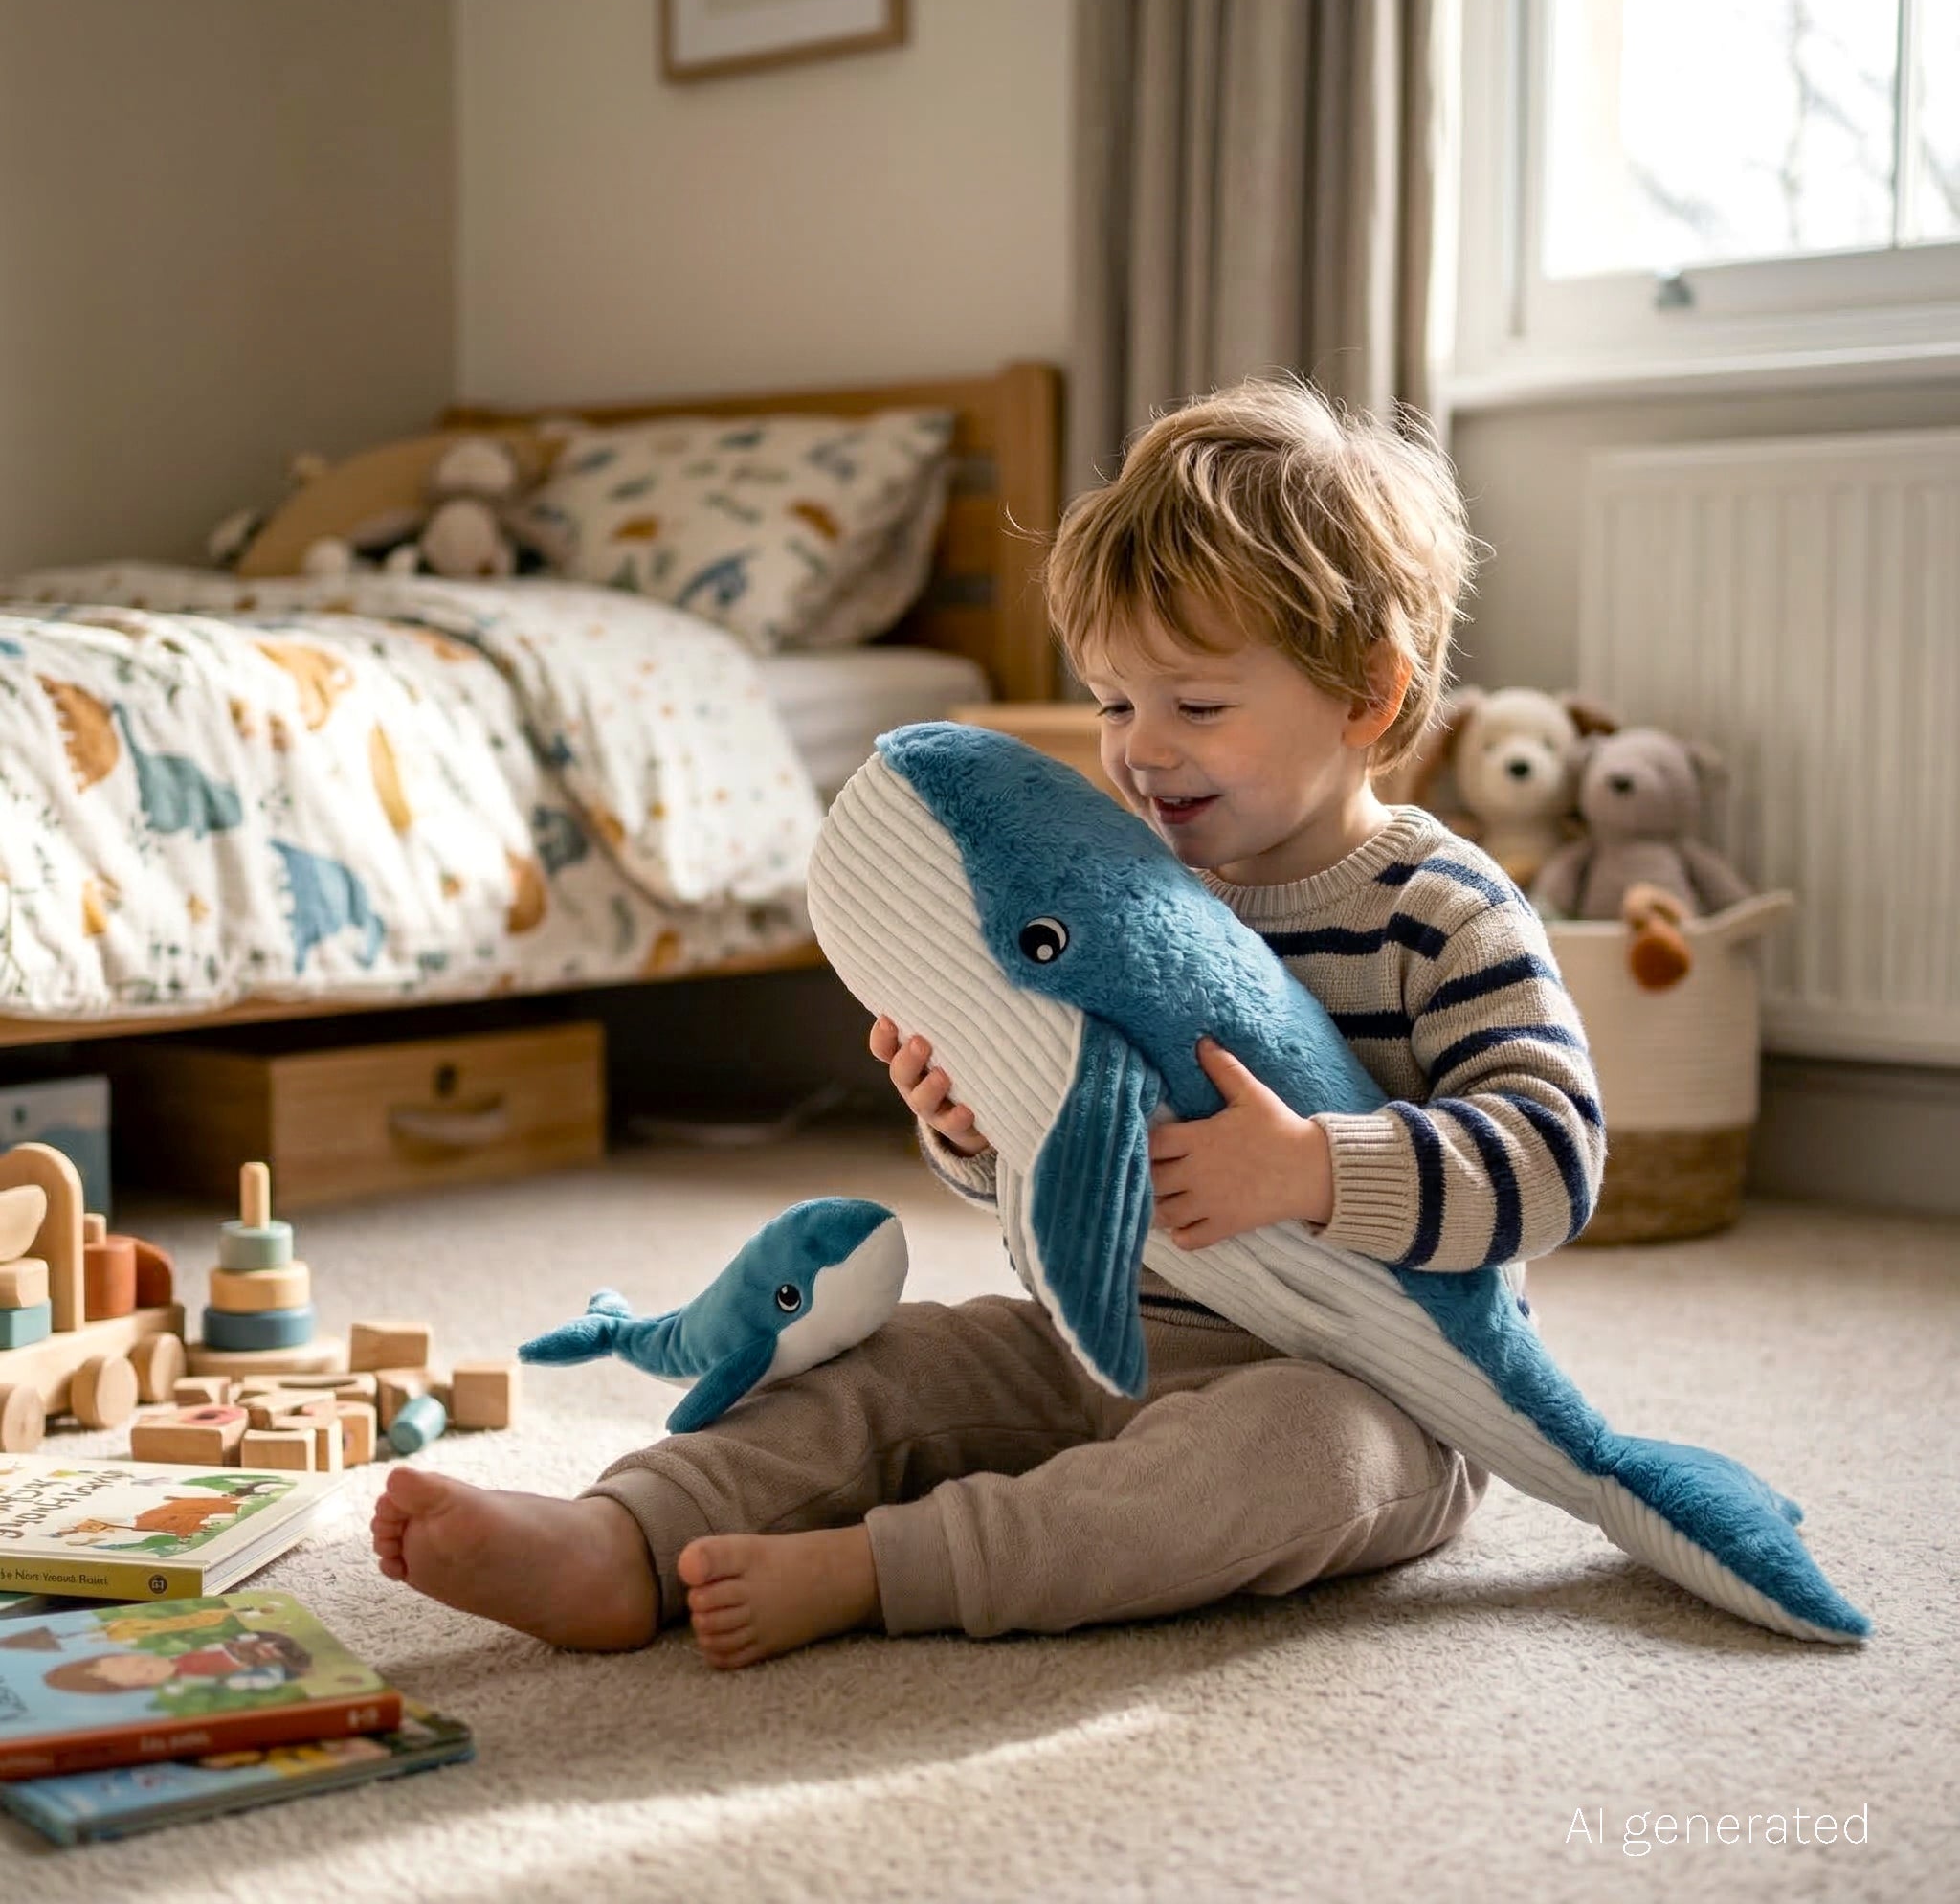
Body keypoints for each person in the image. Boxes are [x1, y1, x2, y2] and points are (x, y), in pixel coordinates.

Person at [371, 377, 1605, 1669]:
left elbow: (1553, 1157)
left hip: (1377, 1386)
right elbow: (1056, 1138)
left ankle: (881, 1571)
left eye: (1194, 705)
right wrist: (969, 1121)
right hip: (1109, 1340)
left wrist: (1309, 1168)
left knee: (1287, 1460)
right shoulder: (1123, 892)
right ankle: (624, 1536)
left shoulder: (1444, 912)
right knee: (888, 1370)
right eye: (1115, 704)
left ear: (1365, 694)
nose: (1140, 751)